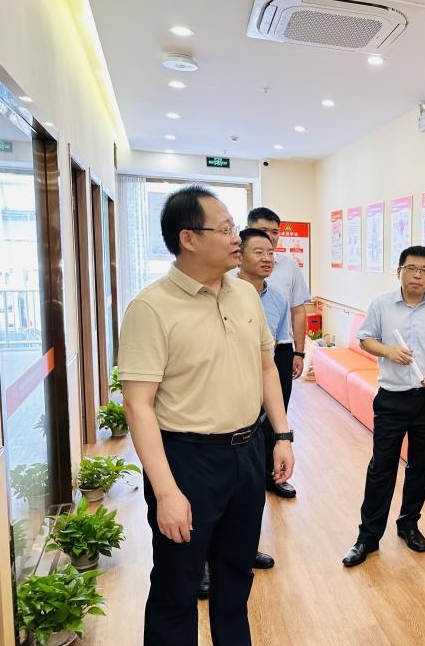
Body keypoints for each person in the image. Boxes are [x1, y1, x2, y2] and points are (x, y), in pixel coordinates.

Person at [118, 186, 295, 646]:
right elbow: (138, 405)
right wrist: (166, 491)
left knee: (235, 578)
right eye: (226, 228)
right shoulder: (151, 308)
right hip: (187, 460)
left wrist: (282, 435)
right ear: (189, 238)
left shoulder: (245, 296)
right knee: (177, 585)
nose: (238, 238)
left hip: (247, 452)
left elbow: (266, 369)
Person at [341, 245, 425, 567]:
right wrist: (389, 351)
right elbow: (366, 338)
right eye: (411, 268)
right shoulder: (381, 305)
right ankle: (367, 537)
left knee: (421, 466)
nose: (417, 275)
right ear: (400, 271)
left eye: (424, 270)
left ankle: (409, 524)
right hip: (392, 398)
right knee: (381, 467)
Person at [197, 228, 289, 598]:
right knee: (206, 506)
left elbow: (269, 362)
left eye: (271, 252)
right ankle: (204, 564)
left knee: (248, 497)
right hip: (207, 426)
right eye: (258, 251)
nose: (267, 258)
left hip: (253, 414)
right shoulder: (200, 298)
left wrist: (283, 434)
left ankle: (243, 549)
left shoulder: (265, 298)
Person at [246, 207, 311, 499]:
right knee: (247, 414)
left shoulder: (288, 266)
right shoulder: (231, 270)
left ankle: (273, 475)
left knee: (276, 411)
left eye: (275, 233)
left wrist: (299, 352)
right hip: (243, 354)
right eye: (263, 231)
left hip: (279, 349)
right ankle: (249, 476)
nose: (270, 239)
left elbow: (298, 311)